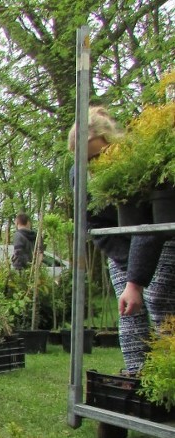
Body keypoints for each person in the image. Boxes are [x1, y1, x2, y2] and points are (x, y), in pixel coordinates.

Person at [68, 106, 175, 373]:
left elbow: (148, 223)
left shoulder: (137, 162)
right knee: (129, 311)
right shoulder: (78, 175)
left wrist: (136, 281)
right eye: (86, 161)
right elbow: (93, 224)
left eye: (98, 156)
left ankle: (168, 373)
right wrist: (130, 275)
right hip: (120, 247)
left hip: (159, 240)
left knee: (159, 300)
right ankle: (139, 380)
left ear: (112, 141)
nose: (93, 165)